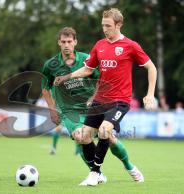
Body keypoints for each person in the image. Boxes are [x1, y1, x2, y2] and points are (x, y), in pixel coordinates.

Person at [54, 8, 157, 186]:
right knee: (83, 137)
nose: (104, 29)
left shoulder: (130, 46)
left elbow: (151, 68)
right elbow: (88, 69)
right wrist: (67, 77)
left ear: (119, 25)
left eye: (108, 25)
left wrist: (150, 94)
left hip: (120, 101)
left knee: (104, 130)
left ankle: (94, 173)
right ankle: (118, 169)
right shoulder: (100, 45)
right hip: (99, 100)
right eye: (103, 25)